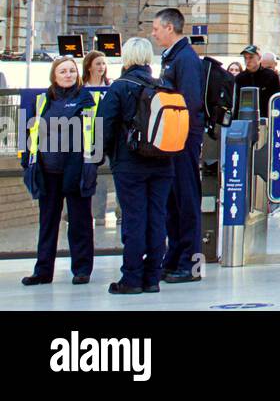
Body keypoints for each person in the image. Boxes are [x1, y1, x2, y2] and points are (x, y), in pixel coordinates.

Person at [97, 36, 175, 295]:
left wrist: (106, 155)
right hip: (163, 163)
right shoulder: (163, 85)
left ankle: (131, 279)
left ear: (127, 57)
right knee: (157, 219)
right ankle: (152, 277)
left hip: (130, 164)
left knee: (134, 220)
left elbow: (104, 126)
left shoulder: (120, 87)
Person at [21, 56, 100, 286]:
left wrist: (93, 162)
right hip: (47, 172)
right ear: (54, 75)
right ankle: (43, 271)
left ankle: (82, 270)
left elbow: (99, 132)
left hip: (77, 171)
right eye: (63, 71)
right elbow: (29, 133)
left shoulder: (88, 99)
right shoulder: (41, 100)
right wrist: (27, 162)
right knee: (47, 223)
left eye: (72, 71)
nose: (68, 75)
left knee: (80, 222)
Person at [151, 7, 205, 284]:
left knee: (186, 200)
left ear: (169, 28)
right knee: (172, 201)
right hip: (171, 140)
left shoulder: (185, 59)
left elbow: (190, 101)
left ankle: (190, 262)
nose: (154, 33)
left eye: (156, 28)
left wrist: (182, 138)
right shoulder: (172, 57)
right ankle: (174, 258)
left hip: (182, 139)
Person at [235, 44, 280, 117]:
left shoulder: (271, 76)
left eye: (251, 58)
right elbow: (236, 103)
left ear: (259, 58)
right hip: (244, 119)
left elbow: (279, 99)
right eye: (245, 58)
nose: (247, 61)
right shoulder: (239, 78)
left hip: (267, 119)